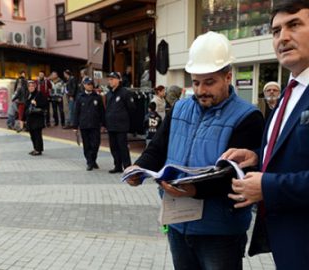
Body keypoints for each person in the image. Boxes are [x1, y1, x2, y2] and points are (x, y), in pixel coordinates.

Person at [124, 31, 264, 270]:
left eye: (209, 82)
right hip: (178, 223)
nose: (200, 91)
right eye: (196, 82)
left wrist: (194, 189)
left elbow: (236, 175)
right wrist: (140, 167)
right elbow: (158, 147)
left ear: (228, 76)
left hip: (219, 231)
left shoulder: (248, 116)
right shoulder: (179, 108)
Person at [221, 2, 309, 269]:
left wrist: (267, 186)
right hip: (288, 243)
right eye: (275, 30)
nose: (282, 37)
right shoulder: (289, 90)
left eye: (294, 25)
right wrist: (259, 158)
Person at [105, 71, 136, 173]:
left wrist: (126, 120)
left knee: (123, 147)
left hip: (121, 126)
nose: (110, 81)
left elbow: (132, 109)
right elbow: (108, 109)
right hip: (111, 125)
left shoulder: (125, 93)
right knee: (113, 147)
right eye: (109, 79)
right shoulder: (109, 94)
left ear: (118, 80)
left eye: (112, 79)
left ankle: (127, 167)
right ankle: (117, 166)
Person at [73, 77, 105, 171]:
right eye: (88, 84)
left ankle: (93, 159)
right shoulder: (80, 97)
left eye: (91, 84)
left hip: (95, 125)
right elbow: (76, 113)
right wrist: (75, 126)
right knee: (87, 145)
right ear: (84, 85)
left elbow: (102, 112)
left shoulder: (97, 97)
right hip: (84, 125)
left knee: (95, 144)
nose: (90, 86)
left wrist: (103, 124)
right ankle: (90, 162)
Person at [25, 80, 48, 156]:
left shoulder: (39, 94)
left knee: (37, 134)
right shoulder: (28, 95)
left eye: (32, 86)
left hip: (37, 118)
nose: (31, 88)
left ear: (35, 87)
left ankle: (39, 149)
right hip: (30, 118)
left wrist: (36, 103)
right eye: (29, 86)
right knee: (32, 135)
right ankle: (35, 148)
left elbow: (45, 104)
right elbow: (26, 107)